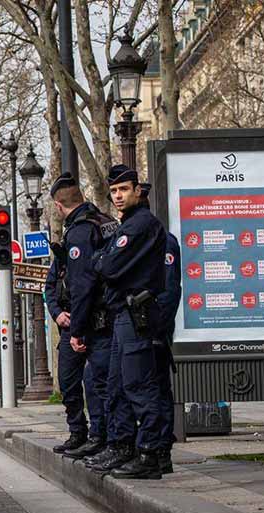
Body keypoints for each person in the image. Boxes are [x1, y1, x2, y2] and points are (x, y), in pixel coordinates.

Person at [91, 164, 167, 480]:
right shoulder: (128, 224)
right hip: (124, 313)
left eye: (124, 189)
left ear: (138, 190)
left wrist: (103, 262)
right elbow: (105, 263)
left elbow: (106, 267)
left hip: (137, 314)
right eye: (114, 191)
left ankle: (150, 453)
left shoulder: (141, 225)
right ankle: (125, 447)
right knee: (118, 385)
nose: (119, 196)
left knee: (139, 384)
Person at [45, 172, 118, 458]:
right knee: (70, 379)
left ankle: (100, 437)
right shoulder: (104, 223)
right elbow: (55, 280)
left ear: (59, 206)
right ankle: (81, 432)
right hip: (78, 320)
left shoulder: (81, 232)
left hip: (93, 322)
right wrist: (56, 312)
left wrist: (76, 328)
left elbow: (83, 285)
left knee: (97, 382)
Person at [139, 182, 182, 474]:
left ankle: (161, 450)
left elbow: (168, 291)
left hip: (153, 331)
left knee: (156, 390)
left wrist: (157, 330)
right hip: (138, 330)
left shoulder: (163, 241)